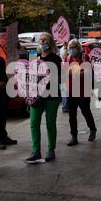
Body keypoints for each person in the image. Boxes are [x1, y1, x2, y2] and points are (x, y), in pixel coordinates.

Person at [26, 33, 62, 164]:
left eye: (45, 39)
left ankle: (50, 149)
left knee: (50, 123)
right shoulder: (34, 57)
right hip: (36, 96)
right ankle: (35, 151)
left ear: (50, 42)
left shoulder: (56, 59)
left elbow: (60, 78)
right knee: (34, 123)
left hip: (51, 95)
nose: (42, 41)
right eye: (41, 40)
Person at [65, 39, 97, 146]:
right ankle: (74, 137)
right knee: (72, 116)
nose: (72, 50)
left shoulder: (84, 57)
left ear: (78, 48)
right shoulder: (68, 58)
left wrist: (74, 72)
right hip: (71, 91)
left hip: (83, 91)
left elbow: (87, 72)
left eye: (74, 47)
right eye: (71, 48)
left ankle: (92, 129)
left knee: (86, 112)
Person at [59, 40, 69, 113]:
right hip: (64, 69)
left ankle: (67, 105)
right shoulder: (62, 49)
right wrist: (65, 48)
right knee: (64, 89)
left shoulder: (70, 47)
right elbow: (64, 57)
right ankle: (65, 106)